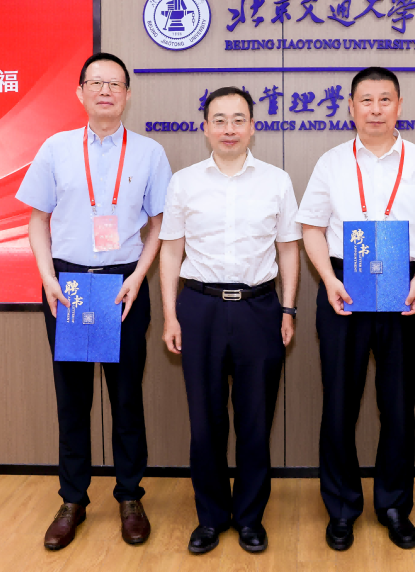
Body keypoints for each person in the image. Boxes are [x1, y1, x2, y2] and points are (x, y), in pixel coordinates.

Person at [295, 67, 415, 551]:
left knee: (398, 404)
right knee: (339, 404)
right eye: (366, 100)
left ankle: (393, 506)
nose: (375, 109)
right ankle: (342, 508)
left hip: (404, 288)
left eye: (385, 99)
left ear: (399, 106)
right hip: (344, 286)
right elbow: (311, 227)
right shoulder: (331, 163)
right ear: (351, 107)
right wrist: (329, 280)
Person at [16, 52, 172, 551]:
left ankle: (129, 496)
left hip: (124, 285)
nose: (106, 91)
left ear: (127, 95)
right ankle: (73, 500)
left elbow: (161, 225)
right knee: (72, 398)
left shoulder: (149, 153)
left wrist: (139, 276)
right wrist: (48, 278)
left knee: (126, 398)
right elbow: (37, 219)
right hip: (68, 287)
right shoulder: (55, 148)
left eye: (115, 84)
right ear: (80, 92)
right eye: (96, 83)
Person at [159, 87, 301, 555]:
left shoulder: (277, 180)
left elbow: (288, 249)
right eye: (219, 120)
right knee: (206, 423)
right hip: (199, 308)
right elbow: (171, 250)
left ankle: (250, 518)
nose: (229, 129)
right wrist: (170, 315)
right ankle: (211, 517)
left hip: (260, 309)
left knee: (256, 421)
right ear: (205, 128)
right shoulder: (184, 182)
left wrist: (288, 308)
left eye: (238, 119)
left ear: (253, 126)